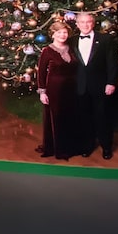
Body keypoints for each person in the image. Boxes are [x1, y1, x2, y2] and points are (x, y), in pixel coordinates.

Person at [71, 12, 118, 160]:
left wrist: (111, 82)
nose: (85, 25)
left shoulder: (105, 39)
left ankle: (106, 147)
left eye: (88, 22)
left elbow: (112, 63)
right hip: (79, 86)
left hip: (100, 85)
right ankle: (87, 145)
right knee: (84, 118)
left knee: (102, 117)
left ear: (93, 23)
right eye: (82, 22)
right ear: (77, 24)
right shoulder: (71, 41)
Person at [36, 22, 84, 161]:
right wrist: (42, 92)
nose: (62, 35)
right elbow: (41, 74)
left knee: (72, 117)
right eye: (59, 32)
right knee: (57, 118)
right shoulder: (47, 51)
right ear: (53, 34)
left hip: (72, 90)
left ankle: (72, 146)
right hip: (55, 91)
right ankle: (59, 149)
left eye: (64, 32)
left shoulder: (72, 49)